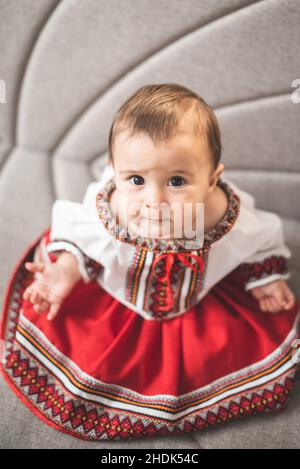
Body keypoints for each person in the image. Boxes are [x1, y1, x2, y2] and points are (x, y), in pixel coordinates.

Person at [1, 83, 300, 442]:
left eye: (176, 181)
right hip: (119, 298)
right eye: (137, 180)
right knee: (91, 353)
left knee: (228, 349)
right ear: (115, 174)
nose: (154, 199)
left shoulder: (221, 215)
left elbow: (257, 238)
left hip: (197, 301)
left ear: (211, 179)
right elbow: (88, 242)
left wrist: (265, 279)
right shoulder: (113, 210)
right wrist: (66, 269)